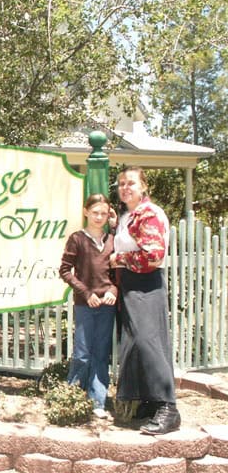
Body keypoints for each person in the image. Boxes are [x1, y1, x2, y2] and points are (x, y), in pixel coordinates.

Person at [110, 166, 180, 435]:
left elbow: (153, 256)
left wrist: (120, 259)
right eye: (121, 184)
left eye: (131, 183)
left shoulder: (148, 213)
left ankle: (168, 408)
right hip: (132, 284)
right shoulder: (131, 215)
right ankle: (151, 402)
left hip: (145, 284)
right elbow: (133, 240)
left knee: (147, 342)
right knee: (136, 343)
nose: (125, 188)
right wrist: (119, 225)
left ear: (143, 187)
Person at [59, 193, 117, 419]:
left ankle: (98, 401)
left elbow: (117, 273)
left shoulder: (113, 240)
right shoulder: (77, 239)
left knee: (101, 353)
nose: (99, 217)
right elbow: (65, 270)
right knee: (82, 352)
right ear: (86, 212)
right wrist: (85, 293)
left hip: (107, 305)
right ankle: (71, 398)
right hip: (85, 303)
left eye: (104, 213)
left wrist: (113, 290)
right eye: (95, 212)